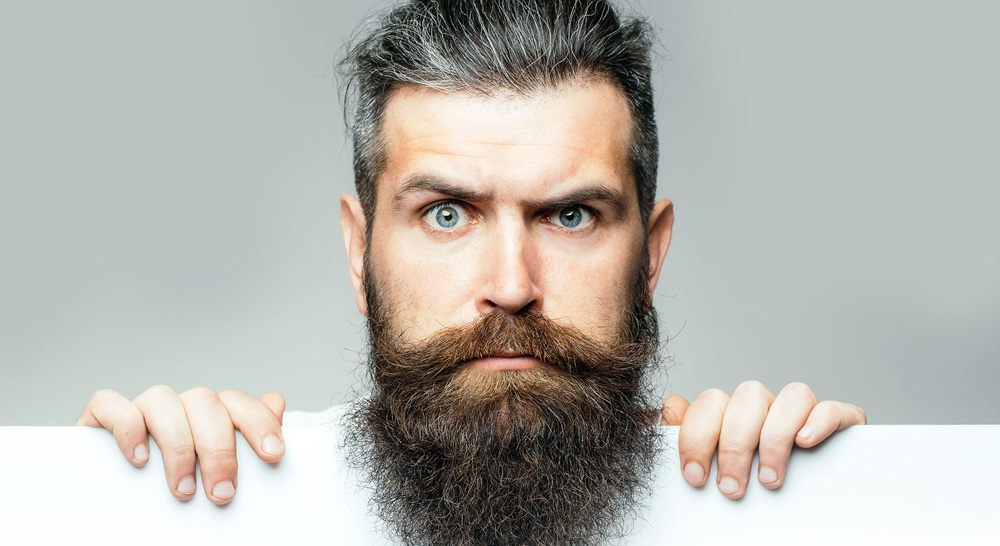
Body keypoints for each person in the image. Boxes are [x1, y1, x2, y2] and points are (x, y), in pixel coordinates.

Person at [76, 0, 866, 544]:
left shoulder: (764, 503)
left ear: (651, 253)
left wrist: (852, 500)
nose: (512, 286)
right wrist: (99, 502)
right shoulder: (225, 500)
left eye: (570, 215)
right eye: (447, 214)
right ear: (359, 251)